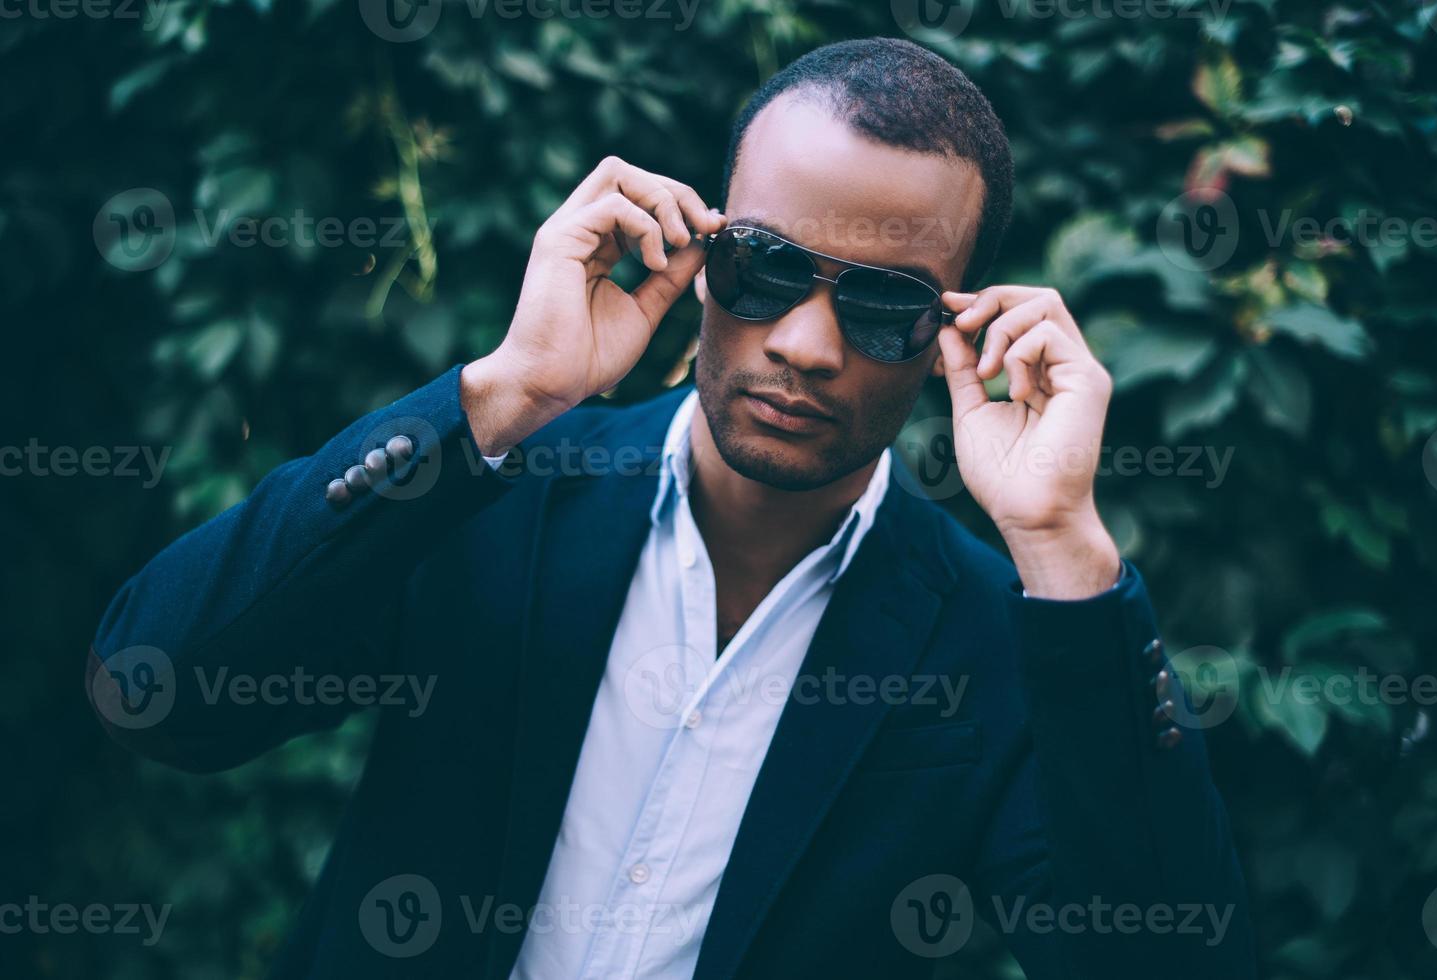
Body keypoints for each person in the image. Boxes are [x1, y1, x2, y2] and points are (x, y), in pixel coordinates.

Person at [89, 37, 1255, 980]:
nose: (802, 345)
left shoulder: (995, 639)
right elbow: (157, 688)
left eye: (885, 304)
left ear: (955, 326)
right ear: (701, 253)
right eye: (766, 269)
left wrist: (1061, 549)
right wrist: (500, 398)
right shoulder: (487, 496)